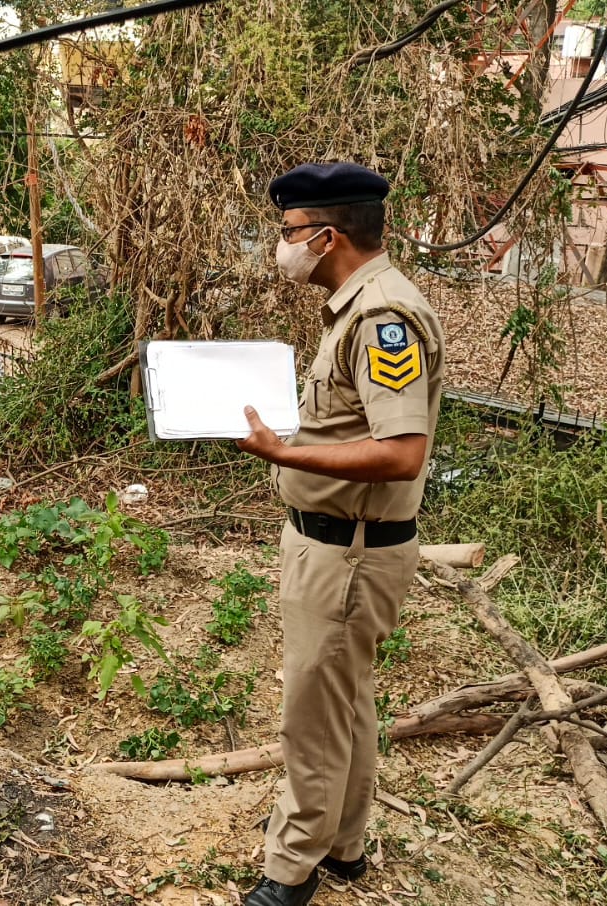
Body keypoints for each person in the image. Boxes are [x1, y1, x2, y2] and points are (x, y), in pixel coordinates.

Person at [234, 161, 444, 906]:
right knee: (345, 702)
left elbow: (401, 450)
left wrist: (287, 452)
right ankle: (344, 843)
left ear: (326, 236)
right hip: (334, 543)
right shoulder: (357, 307)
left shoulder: (383, 317)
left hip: (346, 552)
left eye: (288, 233)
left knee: (311, 716)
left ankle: (289, 871)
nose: (280, 246)